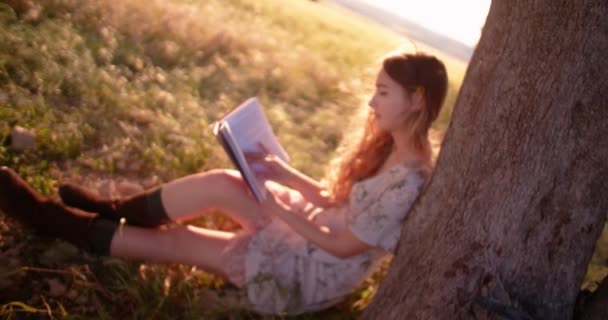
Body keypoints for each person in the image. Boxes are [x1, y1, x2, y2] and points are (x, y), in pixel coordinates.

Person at [0, 50, 448, 315]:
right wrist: (282, 172)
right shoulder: (389, 147)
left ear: (416, 101)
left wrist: (279, 210)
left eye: (383, 92)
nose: (372, 102)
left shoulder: (409, 180)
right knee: (224, 180)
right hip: (311, 228)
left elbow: (344, 246)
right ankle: (112, 208)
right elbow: (336, 199)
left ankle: (49, 219)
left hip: (313, 269)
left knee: (180, 242)